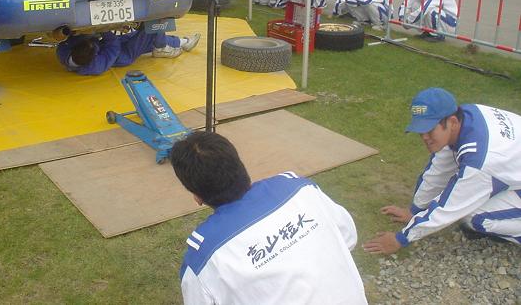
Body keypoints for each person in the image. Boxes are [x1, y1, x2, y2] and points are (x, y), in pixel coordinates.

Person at [171, 131, 367, 305]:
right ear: (241, 167)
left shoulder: (204, 255)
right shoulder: (299, 188)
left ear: (196, 196)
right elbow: (348, 236)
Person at [363, 87, 521, 255]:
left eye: (429, 129)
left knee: (474, 217)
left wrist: (401, 238)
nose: (424, 137)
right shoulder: (465, 117)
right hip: (508, 166)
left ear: (452, 122)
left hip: (499, 168)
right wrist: (414, 211)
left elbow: (450, 207)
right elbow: (438, 170)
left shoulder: (480, 162)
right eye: (420, 130)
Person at [56, 28, 200, 76]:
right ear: (94, 56)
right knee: (151, 28)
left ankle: (183, 42)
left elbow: (70, 40)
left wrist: (87, 34)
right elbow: (113, 45)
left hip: (109, 46)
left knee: (145, 38)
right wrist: (104, 30)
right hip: (123, 55)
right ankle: (163, 47)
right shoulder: (96, 66)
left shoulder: (63, 52)